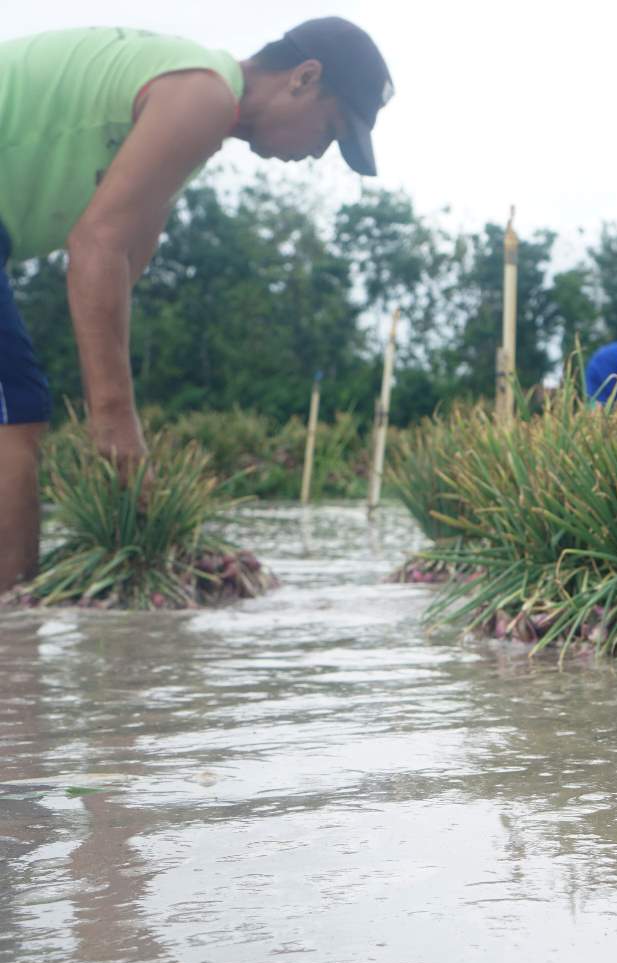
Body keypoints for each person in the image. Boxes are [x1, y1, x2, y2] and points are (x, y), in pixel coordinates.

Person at [0, 19, 393, 593]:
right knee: (15, 411)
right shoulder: (203, 94)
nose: (319, 152)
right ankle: (14, 624)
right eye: (331, 130)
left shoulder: (195, 118)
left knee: (16, 403)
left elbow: (120, 272)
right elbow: (95, 247)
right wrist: (113, 421)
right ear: (304, 78)